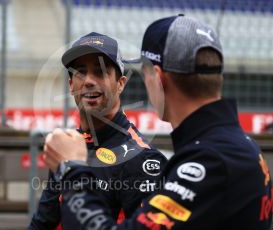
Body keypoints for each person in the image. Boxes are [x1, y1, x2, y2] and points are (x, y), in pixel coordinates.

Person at [43, 15, 273, 229]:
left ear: (157, 77)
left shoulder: (208, 163)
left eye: (143, 73)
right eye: (80, 72)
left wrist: (71, 169)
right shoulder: (237, 146)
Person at [28, 32, 168, 229]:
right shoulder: (67, 147)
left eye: (100, 72)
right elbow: (43, 223)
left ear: (120, 84)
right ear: (70, 85)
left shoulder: (142, 158)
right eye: (80, 72)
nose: (88, 81)